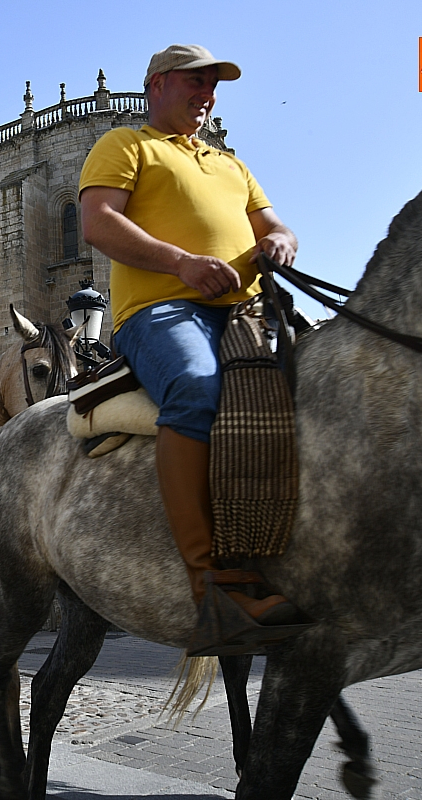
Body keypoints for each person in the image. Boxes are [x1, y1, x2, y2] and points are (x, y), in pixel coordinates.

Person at [78, 44, 303, 640]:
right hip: (160, 311)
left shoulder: (232, 166)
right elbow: (98, 222)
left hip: (245, 312)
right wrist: (182, 264)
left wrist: (281, 241)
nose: (207, 94)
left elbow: (274, 224)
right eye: (195, 82)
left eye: (213, 86)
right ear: (157, 84)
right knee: (197, 389)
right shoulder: (126, 144)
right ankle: (212, 587)